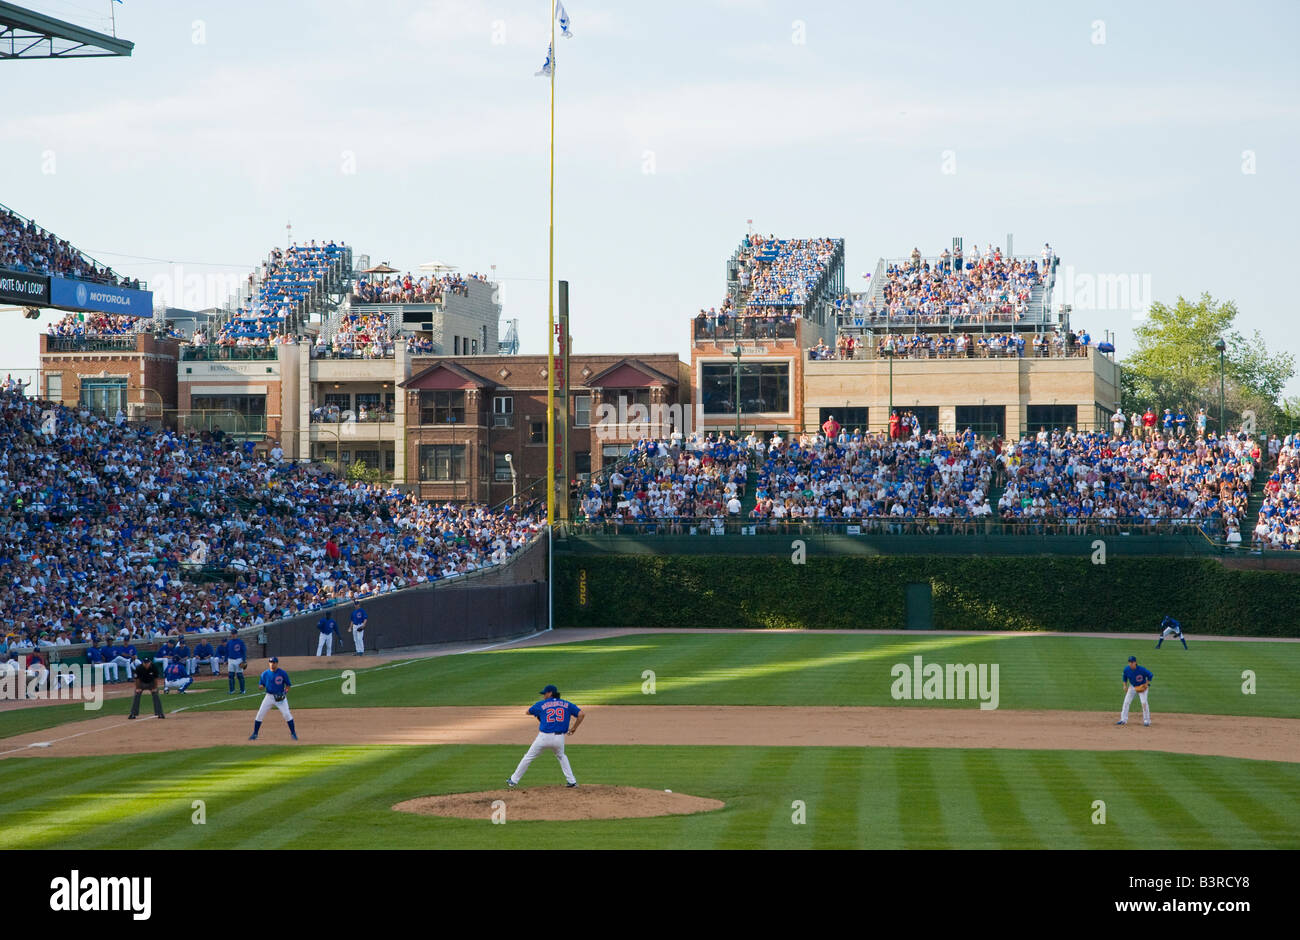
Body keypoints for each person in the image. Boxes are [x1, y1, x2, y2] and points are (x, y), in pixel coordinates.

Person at [507, 683, 584, 788]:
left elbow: (528, 712)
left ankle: (513, 780)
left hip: (543, 738)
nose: (544, 696)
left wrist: (539, 715)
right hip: (559, 738)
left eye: (545, 693)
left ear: (550, 693)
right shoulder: (567, 704)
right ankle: (572, 781)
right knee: (561, 756)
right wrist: (574, 728)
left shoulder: (541, 704)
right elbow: (581, 714)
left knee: (528, 757)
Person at [248, 656, 297, 741]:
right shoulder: (264, 674)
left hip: (280, 698)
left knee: (286, 714)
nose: (272, 664)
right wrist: (261, 687)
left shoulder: (282, 673)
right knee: (260, 714)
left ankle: (293, 733)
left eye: (274, 663)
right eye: (270, 662)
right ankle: (255, 734)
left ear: (277, 663)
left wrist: (284, 693)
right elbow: (261, 685)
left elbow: (288, 685)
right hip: (269, 697)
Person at [1116, 655, 1153, 726]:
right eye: (1129, 662)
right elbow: (1124, 677)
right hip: (1132, 687)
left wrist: (1146, 684)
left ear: (1135, 662)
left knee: (1144, 703)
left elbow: (1150, 675)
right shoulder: (1126, 669)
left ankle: (1147, 720)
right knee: (1126, 702)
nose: (1130, 663)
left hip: (1142, 688)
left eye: (1132, 662)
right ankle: (1123, 719)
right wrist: (1124, 685)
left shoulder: (1141, 669)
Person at [128, 655, 164, 720]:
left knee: (156, 695)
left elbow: (155, 679)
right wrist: (137, 688)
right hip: (141, 683)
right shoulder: (139, 668)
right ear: (143, 663)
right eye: (145, 663)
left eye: (147, 663)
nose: (146, 664)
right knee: (136, 695)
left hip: (151, 683)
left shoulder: (154, 667)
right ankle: (133, 713)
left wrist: (155, 688)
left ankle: (160, 713)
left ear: (150, 662)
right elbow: (137, 679)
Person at [226, 629, 248, 695]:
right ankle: (232, 690)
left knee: (239, 675)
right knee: (231, 675)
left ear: (236, 634)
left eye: (234, 634)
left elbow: (243, 651)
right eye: (232, 634)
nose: (233, 635)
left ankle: (242, 690)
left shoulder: (240, 642)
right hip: (230, 659)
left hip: (238, 659)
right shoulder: (229, 642)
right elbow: (227, 652)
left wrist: (244, 660)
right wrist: (226, 660)